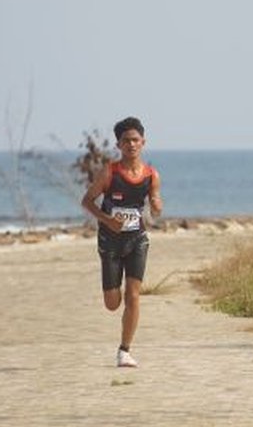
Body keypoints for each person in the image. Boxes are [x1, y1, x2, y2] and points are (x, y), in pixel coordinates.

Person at [80, 116, 163, 368]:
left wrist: (157, 206)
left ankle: (124, 351)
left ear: (143, 142)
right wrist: (107, 219)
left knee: (134, 296)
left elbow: (155, 203)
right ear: (118, 145)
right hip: (110, 242)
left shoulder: (151, 174)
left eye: (135, 140)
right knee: (112, 303)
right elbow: (87, 201)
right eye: (126, 140)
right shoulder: (110, 172)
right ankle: (111, 293)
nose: (131, 145)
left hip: (137, 239)